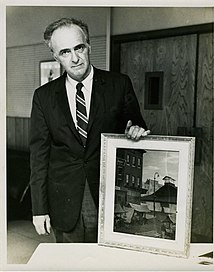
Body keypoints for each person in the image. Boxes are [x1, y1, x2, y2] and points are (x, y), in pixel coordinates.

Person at [29, 17, 150, 243]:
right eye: (65, 52)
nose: (75, 58)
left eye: (79, 48)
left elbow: (137, 125)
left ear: (89, 46)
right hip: (63, 202)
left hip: (108, 197)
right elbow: (38, 158)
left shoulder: (119, 84)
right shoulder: (43, 97)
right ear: (55, 56)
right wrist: (39, 209)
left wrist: (136, 130)